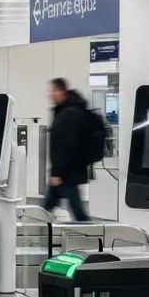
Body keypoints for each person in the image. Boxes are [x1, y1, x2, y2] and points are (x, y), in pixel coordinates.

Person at [44, 77, 93, 222]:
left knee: (75, 210)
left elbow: (66, 145)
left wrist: (57, 172)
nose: (51, 94)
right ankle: (40, 227)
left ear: (62, 91)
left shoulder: (68, 113)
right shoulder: (65, 110)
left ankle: (89, 232)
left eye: (53, 91)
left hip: (66, 173)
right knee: (54, 205)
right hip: (69, 171)